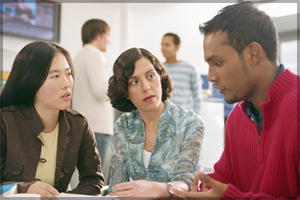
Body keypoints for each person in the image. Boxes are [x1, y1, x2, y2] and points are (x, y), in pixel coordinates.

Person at [170, 2, 299, 199]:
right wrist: (172, 189)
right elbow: (223, 181)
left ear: (252, 54)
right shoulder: (237, 118)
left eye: (218, 63)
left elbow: (229, 194)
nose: (211, 77)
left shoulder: (296, 105)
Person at [0, 42, 104, 197]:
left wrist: (65, 198)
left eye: (68, 74)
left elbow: (93, 180)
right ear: (31, 82)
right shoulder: (5, 122)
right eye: (55, 76)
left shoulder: (79, 125)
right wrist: (25, 189)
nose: (66, 83)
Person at [106, 47, 205, 198]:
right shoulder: (124, 125)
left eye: (150, 76)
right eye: (134, 82)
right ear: (124, 91)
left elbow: (186, 183)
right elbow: (116, 186)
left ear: (160, 77)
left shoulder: (190, 123)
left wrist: (154, 188)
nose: (146, 87)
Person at [72, 19, 114, 184]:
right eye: (108, 35)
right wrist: (119, 85)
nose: (109, 40)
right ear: (98, 34)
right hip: (98, 128)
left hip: (85, 126)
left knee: (84, 181)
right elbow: (100, 91)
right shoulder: (95, 54)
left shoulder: (79, 55)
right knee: (95, 183)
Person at [161, 32, 202, 115]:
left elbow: (197, 98)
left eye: (167, 45)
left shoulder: (190, 69)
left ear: (177, 47)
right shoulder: (159, 69)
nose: (163, 48)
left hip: (185, 120)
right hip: (164, 120)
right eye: (162, 44)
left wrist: (196, 121)